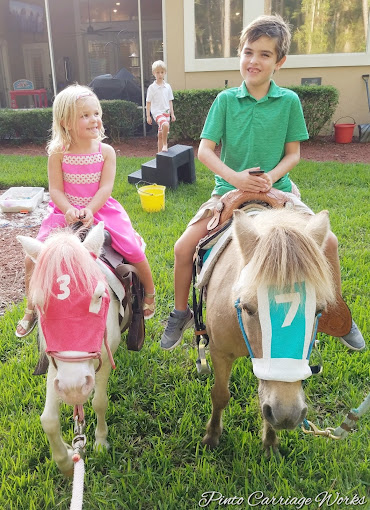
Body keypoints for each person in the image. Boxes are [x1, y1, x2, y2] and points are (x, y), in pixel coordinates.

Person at [160, 14, 365, 352]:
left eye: (265, 54)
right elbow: (206, 152)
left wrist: (271, 176)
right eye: (248, 52)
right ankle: (181, 312)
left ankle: (333, 309)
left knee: (329, 242)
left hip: (277, 191)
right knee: (183, 248)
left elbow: (294, 154)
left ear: (279, 62)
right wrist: (236, 179)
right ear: (240, 54)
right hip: (228, 192)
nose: (254, 61)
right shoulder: (226, 101)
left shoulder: (289, 102)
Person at [16, 84, 155, 337]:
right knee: (32, 258)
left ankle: (150, 291)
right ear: (66, 122)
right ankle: (31, 305)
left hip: (101, 209)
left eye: (96, 113)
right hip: (63, 211)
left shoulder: (106, 152)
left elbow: (105, 188)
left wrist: (90, 209)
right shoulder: (57, 154)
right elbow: (55, 190)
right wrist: (69, 209)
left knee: (132, 248)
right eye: (85, 115)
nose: (94, 120)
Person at [146, 60, 176, 153]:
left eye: (162, 72)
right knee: (165, 125)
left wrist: (172, 114)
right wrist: (148, 115)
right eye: (157, 72)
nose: (160, 74)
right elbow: (148, 102)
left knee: (160, 134)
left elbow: (170, 101)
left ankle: (159, 155)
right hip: (157, 112)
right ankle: (165, 144)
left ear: (165, 73)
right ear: (154, 73)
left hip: (166, 112)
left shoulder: (167, 87)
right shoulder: (152, 88)